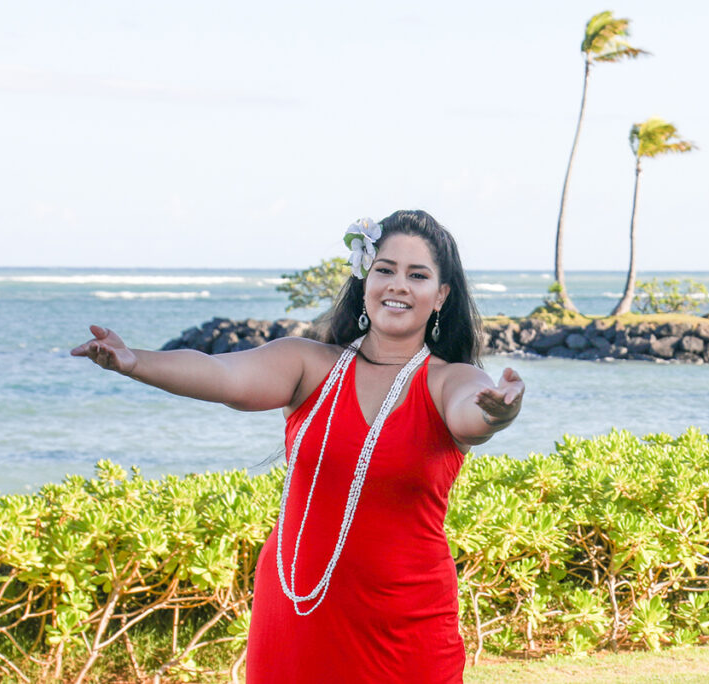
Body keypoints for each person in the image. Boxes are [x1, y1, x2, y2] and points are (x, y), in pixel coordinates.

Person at [71, 209, 524, 683]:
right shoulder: (307, 365)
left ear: (441, 295)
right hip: (296, 611)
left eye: (418, 275)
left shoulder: (450, 380)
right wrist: (134, 361)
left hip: (406, 627)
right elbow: (222, 374)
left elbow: (472, 414)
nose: (398, 285)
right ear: (364, 279)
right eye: (385, 269)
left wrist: (499, 410)